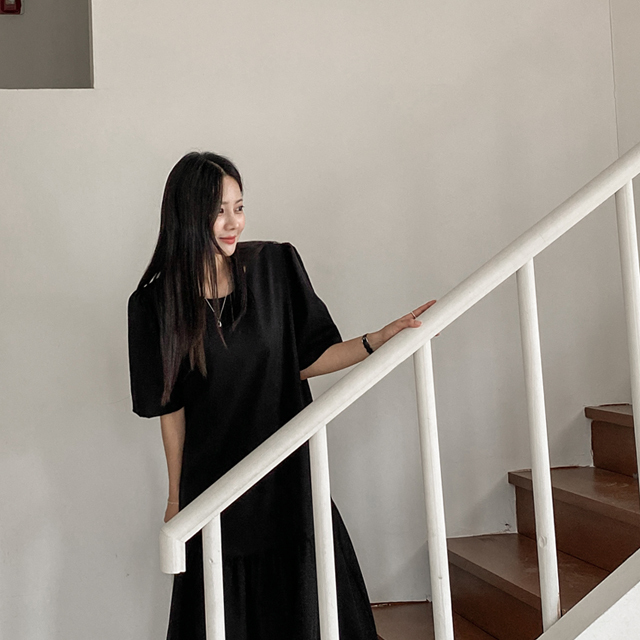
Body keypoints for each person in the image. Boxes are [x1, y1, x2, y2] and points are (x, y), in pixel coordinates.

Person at [127, 151, 436, 640]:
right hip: (217, 488)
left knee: (310, 612)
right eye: (219, 211)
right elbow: (172, 411)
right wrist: (175, 497)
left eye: (239, 207)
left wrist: (375, 340)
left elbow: (306, 358)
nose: (234, 223)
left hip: (288, 478)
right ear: (187, 214)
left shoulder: (273, 267)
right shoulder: (154, 305)